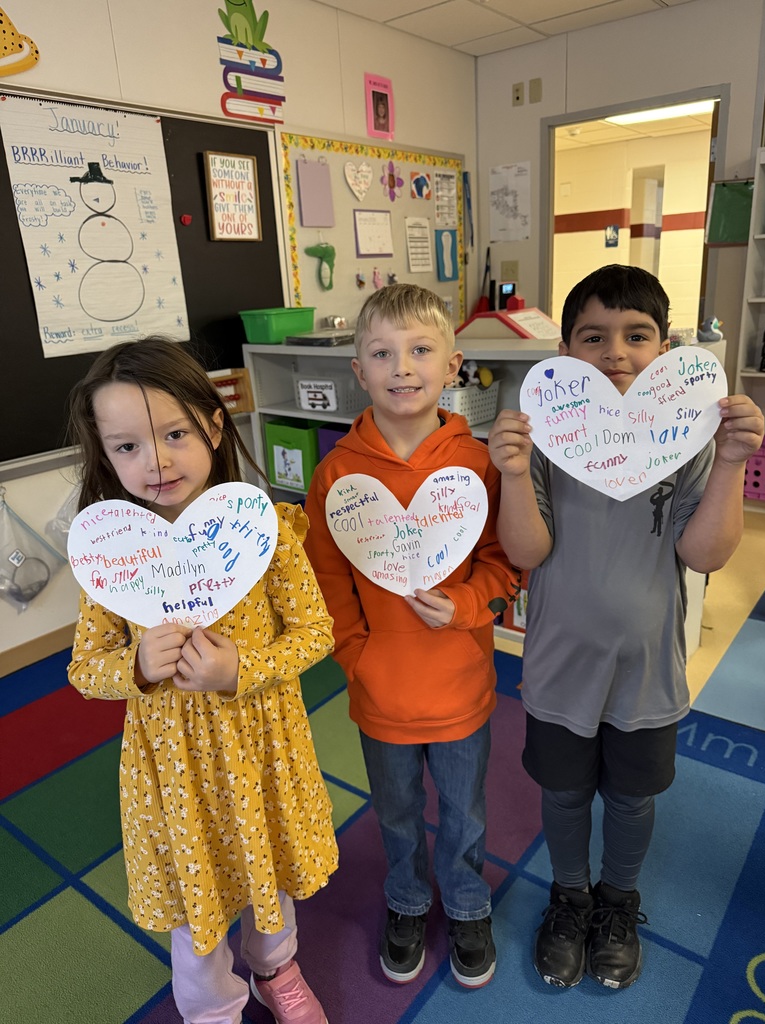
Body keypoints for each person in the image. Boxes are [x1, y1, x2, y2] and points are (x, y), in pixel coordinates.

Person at [488, 264, 765, 991]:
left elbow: (704, 553)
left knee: (633, 797)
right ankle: (570, 896)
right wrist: (514, 473)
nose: (616, 352)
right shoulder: (546, 438)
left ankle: (617, 901)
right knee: (565, 794)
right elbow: (525, 552)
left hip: (646, 668)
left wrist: (733, 459)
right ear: (565, 351)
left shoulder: (688, 436)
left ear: (664, 346)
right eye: (594, 337)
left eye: (637, 335)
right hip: (556, 665)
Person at [66, 336, 337, 1024]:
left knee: (270, 873)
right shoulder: (114, 560)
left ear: (214, 428)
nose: (154, 461)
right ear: (104, 454)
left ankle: (278, 971)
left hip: (263, 751)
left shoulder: (268, 531)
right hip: (175, 769)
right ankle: (212, 1007)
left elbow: (315, 634)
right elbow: (83, 667)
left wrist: (238, 668)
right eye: (125, 447)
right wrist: (135, 666)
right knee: (196, 902)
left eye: (175, 434)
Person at [303, 284, 520, 989]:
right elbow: (327, 583)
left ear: (453, 365)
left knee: (464, 814)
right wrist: (359, 659)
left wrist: (461, 607)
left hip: (460, 687)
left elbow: (501, 565)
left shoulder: (478, 464)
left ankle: (465, 903)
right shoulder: (337, 474)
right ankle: (405, 900)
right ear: (359, 371)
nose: (403, 366)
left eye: (421, 350)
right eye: (382, 353)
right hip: (381, 694)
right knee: (395, 814)